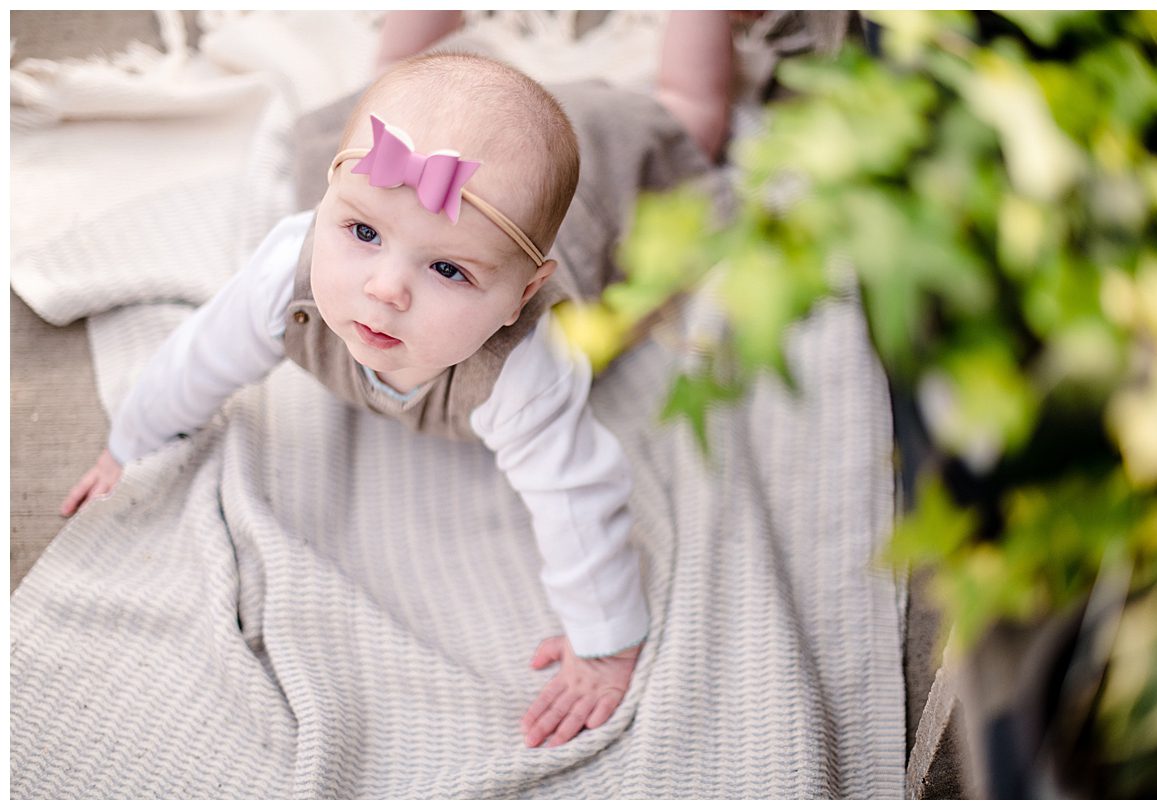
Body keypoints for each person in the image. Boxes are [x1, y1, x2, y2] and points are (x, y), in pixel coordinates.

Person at [57, 29, 731, 750]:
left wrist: (603, 641)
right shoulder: (292, 268)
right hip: (431, 145)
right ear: (330, 205)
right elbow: (199, 358)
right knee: (399, 81)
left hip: (601, 184)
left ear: (521, 294)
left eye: (448, 272)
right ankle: (426, 40)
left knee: (687, 120)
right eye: (359, 232)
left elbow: (577, 494)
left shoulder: (525, 368)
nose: (384, 289)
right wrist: (134, 441)